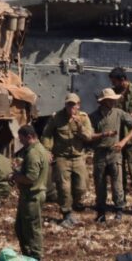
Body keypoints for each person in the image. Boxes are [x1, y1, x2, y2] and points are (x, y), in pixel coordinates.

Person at [41, 92, 95, 227]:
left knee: (81, 186)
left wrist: (80, 126)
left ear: (78, 105)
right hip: (62, 157)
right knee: (64, 188)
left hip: (78, 157)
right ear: (65, 105)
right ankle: (66, 213)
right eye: (69, 105)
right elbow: (47, 135)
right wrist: (47, 150)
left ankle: (75, 205)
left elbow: (89, 137)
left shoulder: (83, 118)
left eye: (74, 105)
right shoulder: (56, 118)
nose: (71, 108)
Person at [89, 88, 132, 222]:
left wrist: (124, 141)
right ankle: (101, 212)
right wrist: (104, 134)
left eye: (114, 100)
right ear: (104, 101)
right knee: (100, 185)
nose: (113, 102)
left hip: (115, 153)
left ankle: (119, 210)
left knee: (117, 185)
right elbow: (89, 135)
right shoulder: (93, 116)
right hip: (100, 154)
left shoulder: (118, 113)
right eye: (110, 100)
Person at [110, 67, 132, 206]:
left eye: (115, 81)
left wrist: (127, 116)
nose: (113, 84)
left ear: (123, 80)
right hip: (117, 135)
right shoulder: (113, 92)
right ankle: (121, 197)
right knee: (119, 169)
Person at [13, 124, 49, 261]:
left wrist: (15, 177)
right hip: (30, 195)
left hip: (32, 196)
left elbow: (30, 178)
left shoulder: (33, 153)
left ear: (29, 137)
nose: (20, 141)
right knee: (21, 227)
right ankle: (28, 255)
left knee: (32, 229)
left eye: (21, 139)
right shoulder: (38, 150)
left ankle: (35, 257)